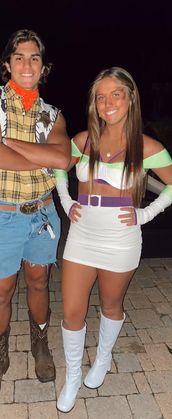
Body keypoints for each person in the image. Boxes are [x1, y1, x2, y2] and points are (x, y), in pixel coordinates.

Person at [54, 67, 172, 413]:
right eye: (100, 97)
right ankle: (73, 375)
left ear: (130, 97)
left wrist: (146, 213)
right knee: (72, 311)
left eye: (115, 94)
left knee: (110, 305)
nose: (107, 103)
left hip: (121, 238)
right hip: (82, 234)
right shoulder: (81, 140)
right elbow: (59, 167)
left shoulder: (148, 147)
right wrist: (66, 200)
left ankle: (103, 359)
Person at [0, 29, 70, 405]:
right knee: (0, 291)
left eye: (34, 58)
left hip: (43, 215)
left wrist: (8, 142)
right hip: (4, 217)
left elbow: (62, 159)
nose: (26, 64)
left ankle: (40, 346)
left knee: (40, 282)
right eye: (19, 57)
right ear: (7, 63)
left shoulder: (52, 114)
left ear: (43, 67)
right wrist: (35, 156)